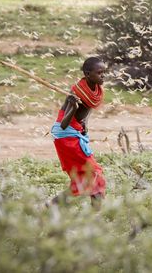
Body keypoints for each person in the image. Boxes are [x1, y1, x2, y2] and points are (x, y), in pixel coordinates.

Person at [49, 57, 107, 209]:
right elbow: (63, 125)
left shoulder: (95, 90)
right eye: (99, 73)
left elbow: (87, 109)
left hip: (75, 132)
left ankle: (53, 205)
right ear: (88, 74)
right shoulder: (77, 92)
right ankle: (97, 213)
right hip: (66, 135)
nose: (103, 76)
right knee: (94, 173)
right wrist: (73, 106)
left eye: (104, 72)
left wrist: (85, 123)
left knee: (89, 176)